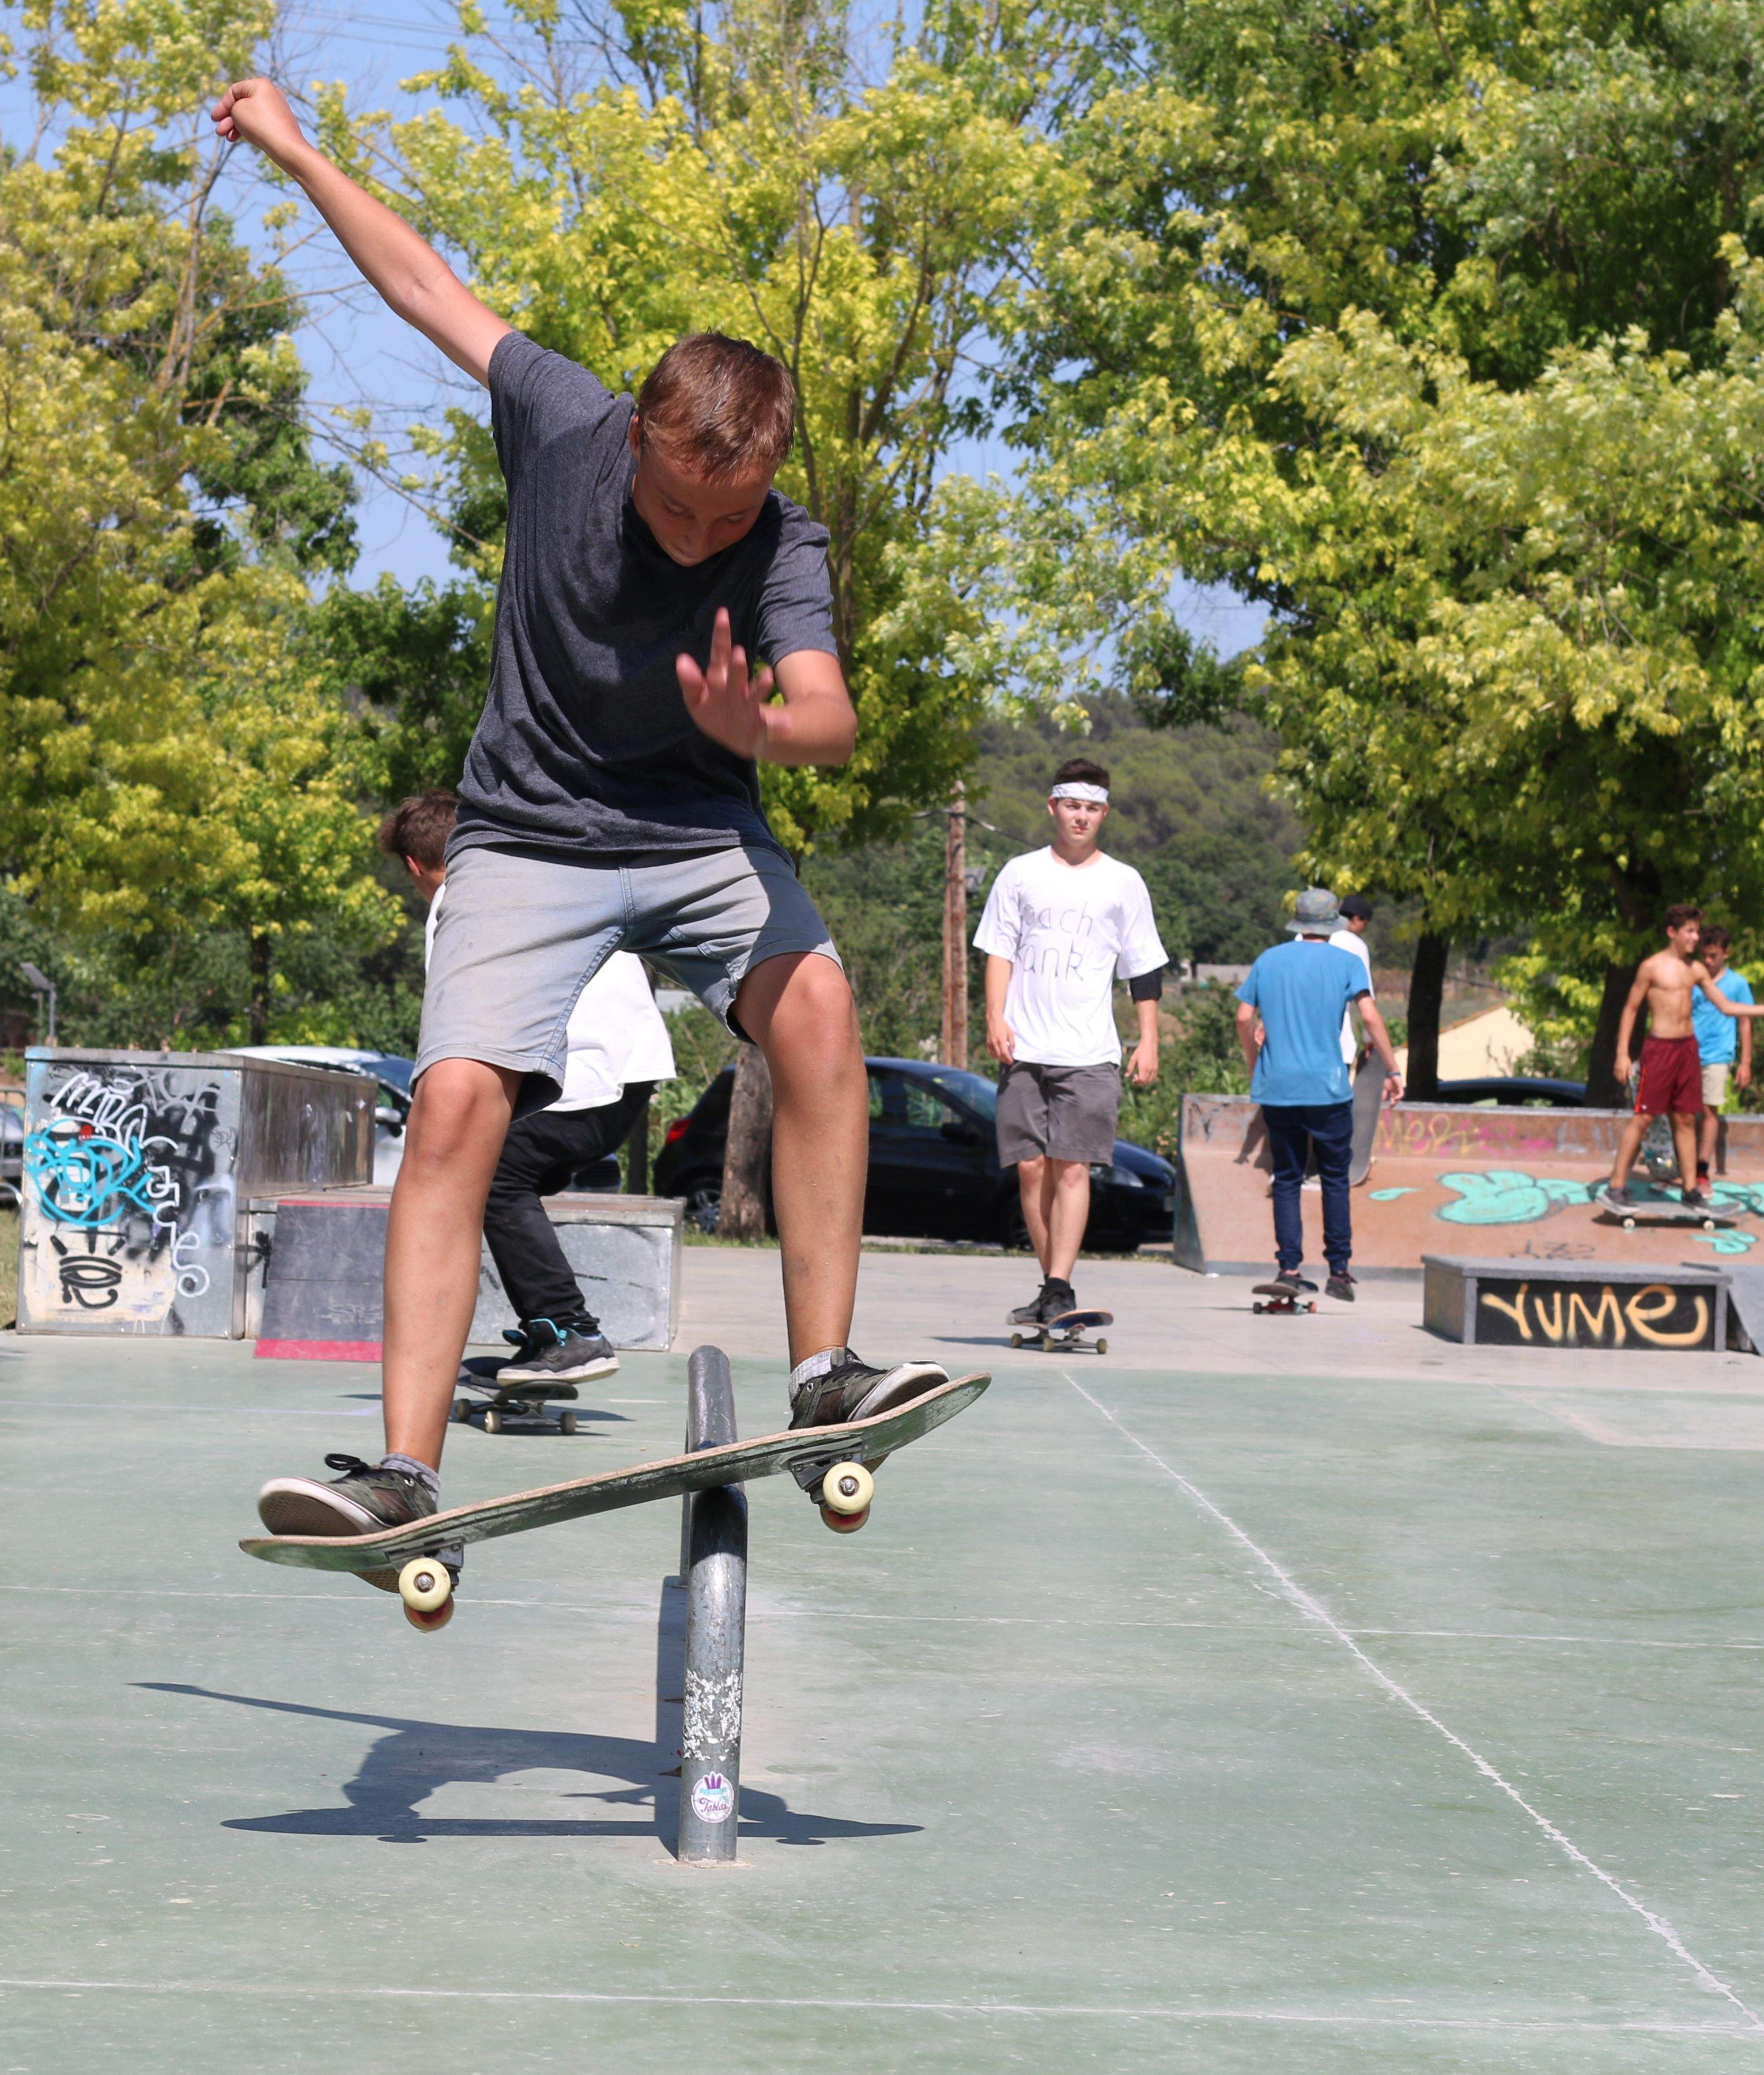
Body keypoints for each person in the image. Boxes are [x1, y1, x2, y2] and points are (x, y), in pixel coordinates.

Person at [213, 78, 949, 1578]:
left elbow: (829, 713)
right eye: (678, 508)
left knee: (817, 1009)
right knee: (459, 1103)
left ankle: (826, 1373)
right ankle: (405, 1476)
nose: (700, 538)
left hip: (697, 829)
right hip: (528, 832)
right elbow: (422, 283)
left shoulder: (782, 540)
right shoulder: (560, 419)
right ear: (638, 442)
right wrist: (294, 146)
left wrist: (760, 728)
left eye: (728, 516)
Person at [388, 791, 675, 1385]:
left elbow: (461, 1028)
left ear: (414, 865)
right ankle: (550, 1327)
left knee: (491, 1176)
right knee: (502, 1178)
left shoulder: (457, 901)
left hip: (586, 1074)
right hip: (625, 1068)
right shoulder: (535, 871)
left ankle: (568, 1330)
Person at [975, 758, 1168, 1326]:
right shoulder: (1020, 873)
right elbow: (998, 950)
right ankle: (1052, 1288)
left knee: (1074, 1168)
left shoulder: (1124, 881)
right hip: (1024, 1047)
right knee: (1031, 1169)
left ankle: (1059, 1285)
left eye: (1092, 808)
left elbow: (1144, 966)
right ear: (1053, 807)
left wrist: (1149, 1039)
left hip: (1090, 1052)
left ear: (1104, 813)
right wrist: (994, 1016)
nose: (1081, 817)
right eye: (1072, 806)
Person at [1236, 889, 1402, 1301]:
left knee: (1287, 1177)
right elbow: (1369, 1016)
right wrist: (1393, 1068)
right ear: (1333, 925)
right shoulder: (1347, 962)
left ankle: (1289, 1269)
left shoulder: (1269, 959)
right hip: (1327, 1088)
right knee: (1334, 1177)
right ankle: (1339, 1271)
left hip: (1279, 1087)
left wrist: (1255, 1063)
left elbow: (1243, 1017)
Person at [1604, 905, 1764, 1207]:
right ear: (1672, 932)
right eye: (1689, 931)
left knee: (1686, 1119)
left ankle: (1691, 1190)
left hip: (1688, 1050)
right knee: (1643, 1117)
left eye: (1696, 931)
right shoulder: (1652, 967)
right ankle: (1616, 1186)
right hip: (1660, 1050)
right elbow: (1630, 1009)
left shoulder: (1696, 970)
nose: (1695, 937)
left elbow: (1727, 1006)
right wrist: (1622, 1054)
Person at [1689, 924, 1762, 1177]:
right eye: (1704, 956)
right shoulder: (1692, 980)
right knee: (1684, 1113)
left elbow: (1744, 1022)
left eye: (1714, 956)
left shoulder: (1737, 983)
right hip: (1688, 1053)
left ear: (1726, 953)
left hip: (1718, 1055)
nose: (1708, 961)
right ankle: (1682, 1167)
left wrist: (1746, 1062)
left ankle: (1702, 1169)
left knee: (1709, 1110)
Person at [1333, 896, 1391, 1183]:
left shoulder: (1302, 938)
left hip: (1295, 1043)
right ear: (1357, 919)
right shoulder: (1355, 945)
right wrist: (1370, 1038)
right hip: (1337, 1042)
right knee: (1336, 1107)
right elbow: (1365, 998)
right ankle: (1336, 1162)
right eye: (1364, 924)